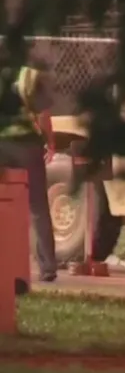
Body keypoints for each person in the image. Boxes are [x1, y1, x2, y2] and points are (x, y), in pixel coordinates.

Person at [0, 53, 57, 282]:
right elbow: (43, 114)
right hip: (28, 146)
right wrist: (50, 142)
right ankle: (48, 267)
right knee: (37, 206)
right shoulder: (30, 76)